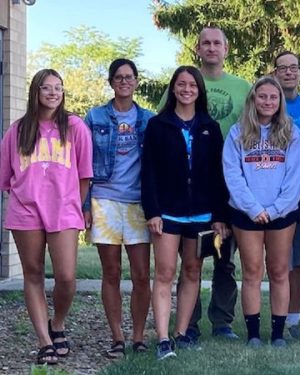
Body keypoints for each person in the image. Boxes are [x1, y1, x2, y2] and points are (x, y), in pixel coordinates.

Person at [159, 26, 251, 341]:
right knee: (191, 260)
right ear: (198, 49)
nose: (211, 48)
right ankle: (189, 324)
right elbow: (163, 127)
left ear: (226, 49)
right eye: (205, 43)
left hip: (231, 184)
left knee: (225, 260)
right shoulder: (183, 81)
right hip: (187, 191)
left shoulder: (243, 88)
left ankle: (222, 322)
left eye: (217, 43)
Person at [0, 69, 92, 365]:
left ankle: (58, 323)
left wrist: (73, 206)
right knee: (34, 274)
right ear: (35, 92)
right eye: (47, 87)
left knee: (66, 277)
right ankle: (44, 341)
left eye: (58, 88)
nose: (53, 92)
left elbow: (84, 175)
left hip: (64, 211)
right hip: (26, 211)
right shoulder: (18, 130)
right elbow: (5, 177)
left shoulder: (75, 127)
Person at [142, 66, 230, 360]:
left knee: (192, 272)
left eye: (192, 85)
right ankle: (164, 338)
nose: (187, 89)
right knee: (165, 273)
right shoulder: (157, 125)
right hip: (167, 213)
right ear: (173, 88)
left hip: (202, 215)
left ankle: (182, 334)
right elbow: (149, 172)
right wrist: (153, 211)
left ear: (199, 90)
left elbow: (219, 175)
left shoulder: (210, 126)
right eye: (181, 84)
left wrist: (220, 215)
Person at [223, 76, 300, 348]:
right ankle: (254, 334)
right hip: (246, 214)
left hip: (281, 214)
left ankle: (278, 333)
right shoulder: (237, 132)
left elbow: (295, 177)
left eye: (273, 97)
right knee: (252, 272)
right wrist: (255, 209)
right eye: (262, 96)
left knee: (280, 271)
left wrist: (275, 209)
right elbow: (233, 175)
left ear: (280, 101)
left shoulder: (291, 132)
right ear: (253, 100)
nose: (268, 101)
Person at [83, 59, 153, 358]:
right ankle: (117, 337)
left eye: (130, 77)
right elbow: (83, 164)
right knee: (111, 271)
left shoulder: (149, 119)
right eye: (119, 77)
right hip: (105, 199)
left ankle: (138, 336)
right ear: (111, 82)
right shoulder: (94, 116)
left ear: (136, 82)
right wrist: (84, 207)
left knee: (140, 274)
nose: (124, 81)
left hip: (138, 201)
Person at [272, 51, 300, 338]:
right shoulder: (267, 105)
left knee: (299, 259)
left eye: (294, 68)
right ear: (275, 73)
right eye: (283, 68)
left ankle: (294, 320)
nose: (288, 72)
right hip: (272, 193)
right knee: (278, 261)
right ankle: (277, 316)